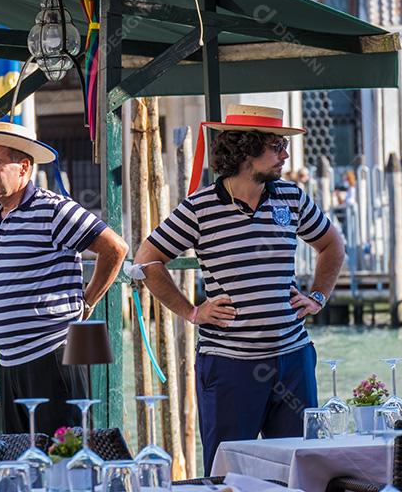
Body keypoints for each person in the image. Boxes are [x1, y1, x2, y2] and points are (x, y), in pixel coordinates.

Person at [132, 104, 345, 475]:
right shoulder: (199, 209)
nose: (286, 154)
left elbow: (332, 245)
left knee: (302, 470)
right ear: (246, 150)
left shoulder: (291, 197)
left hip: (293, 359)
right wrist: (192, 311)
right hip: (230, 366)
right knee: (229, 475)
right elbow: (146, 262)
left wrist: (317, 297)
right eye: (277, 146)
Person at [0, 121, 129, 435]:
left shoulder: (54, 209)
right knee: (23, 460)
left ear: (23, 167)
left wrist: (87, 301)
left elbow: (115, 248)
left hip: (52, 356)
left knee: (64, 458)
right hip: (10, 363)